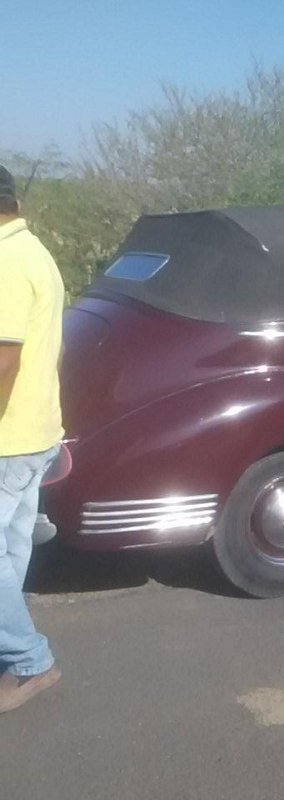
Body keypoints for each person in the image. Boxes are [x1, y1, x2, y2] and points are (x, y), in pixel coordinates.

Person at [0, 165, 64, 713]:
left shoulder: (4, 262)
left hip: (7, 437)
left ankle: (29, 660)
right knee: (13, 550)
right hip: (36, 433)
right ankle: (13, 651)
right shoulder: (35, 251)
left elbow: (4, 358)